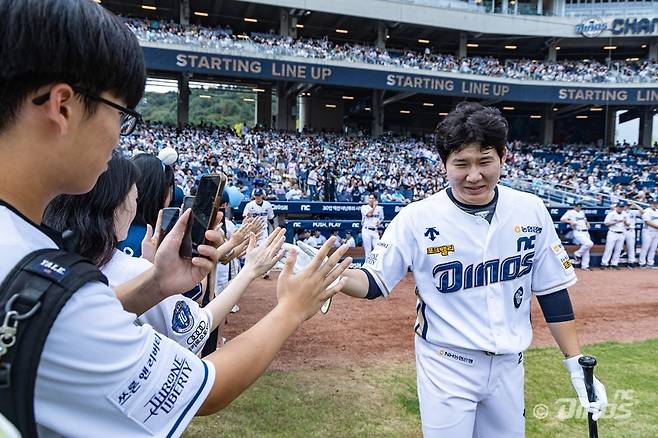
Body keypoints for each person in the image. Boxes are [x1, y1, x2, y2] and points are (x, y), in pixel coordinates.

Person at [0, 1, 351, 435]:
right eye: (121, 114)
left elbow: (51, 323)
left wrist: (156, 283)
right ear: (63, 106)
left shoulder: (27, 254)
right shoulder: (55, 291)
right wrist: (292, 308)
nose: (118, 137)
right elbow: (208, 388)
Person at [336, 102, 607, 437]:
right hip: (446, 362)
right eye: (461, 164)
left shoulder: (531, 209)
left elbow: (552, 291)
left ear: (504, 157)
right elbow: (374, 281)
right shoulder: (417, 217)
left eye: (485, 161)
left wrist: (574, 362)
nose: (474, 175)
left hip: (510, 363)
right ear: (444, 164)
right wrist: (334, 275)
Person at [43, 153, 283, 355]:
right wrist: (252, 272)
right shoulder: (129, 267)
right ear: (115, 203)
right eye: (133, 198)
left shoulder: (46, 255)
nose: (136, 204)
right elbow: (198, 326)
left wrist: (149, 267)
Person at [243, 188, 275, 278]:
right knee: (251, 249)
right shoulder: (249, 205)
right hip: (253, 230)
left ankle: (266, 271)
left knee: (265, 249)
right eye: (256, 195)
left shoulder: (267, 205)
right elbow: (245, 217)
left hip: (264, 230)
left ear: (262, 195)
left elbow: (271, 218)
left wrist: (274, 228)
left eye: (259, 195)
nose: (257, 197)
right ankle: (247, 269)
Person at [560, 203, 593, 270]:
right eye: (577, 206)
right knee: (589, 244)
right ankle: (577, 254)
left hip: (586, 231)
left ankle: (585, 266)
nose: (579, 207)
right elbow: (562, 219)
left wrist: (587, 224)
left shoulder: (582, 212)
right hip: (578, 231)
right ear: (574, 206)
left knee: (587, 249)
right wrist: (570, 221)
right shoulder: (570, 212)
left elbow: (585, 220)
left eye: (580, 206)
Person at [600, 202, 628, 269]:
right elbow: (606, 223)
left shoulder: (625, 214)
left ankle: (614, 264)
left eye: (622, 207)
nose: (621, 208)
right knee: (609, 249)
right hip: (612, 233)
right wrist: (616, 221)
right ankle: (604, 263)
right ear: (617, 207)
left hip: (621, 233)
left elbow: (628, 224)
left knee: (618, 250)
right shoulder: (611, 214)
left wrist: (625, 222)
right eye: (620, 207)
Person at [360, 193, 384, 261]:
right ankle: (367, 269)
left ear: (375, 199)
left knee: (378, 249)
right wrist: (374, 207)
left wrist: (379, 222)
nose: (370, 200)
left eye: (372, 198)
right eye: (369, 198)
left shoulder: (380, 208)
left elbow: (381, 218)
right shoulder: (364, 207)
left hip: (375, 231)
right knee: (368, 251)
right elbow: (369, 214)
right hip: (366, 230)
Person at [638, 199, 658, 268]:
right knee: (645, 247)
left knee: (653, 248)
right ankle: (642, 263)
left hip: (656, 232)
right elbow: (648, 222)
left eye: (656, 203)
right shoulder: (646, 211)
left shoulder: (657, 211)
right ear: (650, 204)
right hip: (648, 231)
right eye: (653, 203)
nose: (655, 205)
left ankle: (650, 263)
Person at [624, 202, 641, 267]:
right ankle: (613, 263)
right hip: (622, 230)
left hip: (631, 230)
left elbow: (642, 212)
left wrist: (635, 204)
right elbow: (612, 206)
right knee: (618, 247)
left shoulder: (633, 211)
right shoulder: (621, 211)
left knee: (631, 246)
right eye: (627, 205)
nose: (628, 206)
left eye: (629, 205)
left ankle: (631, 262)